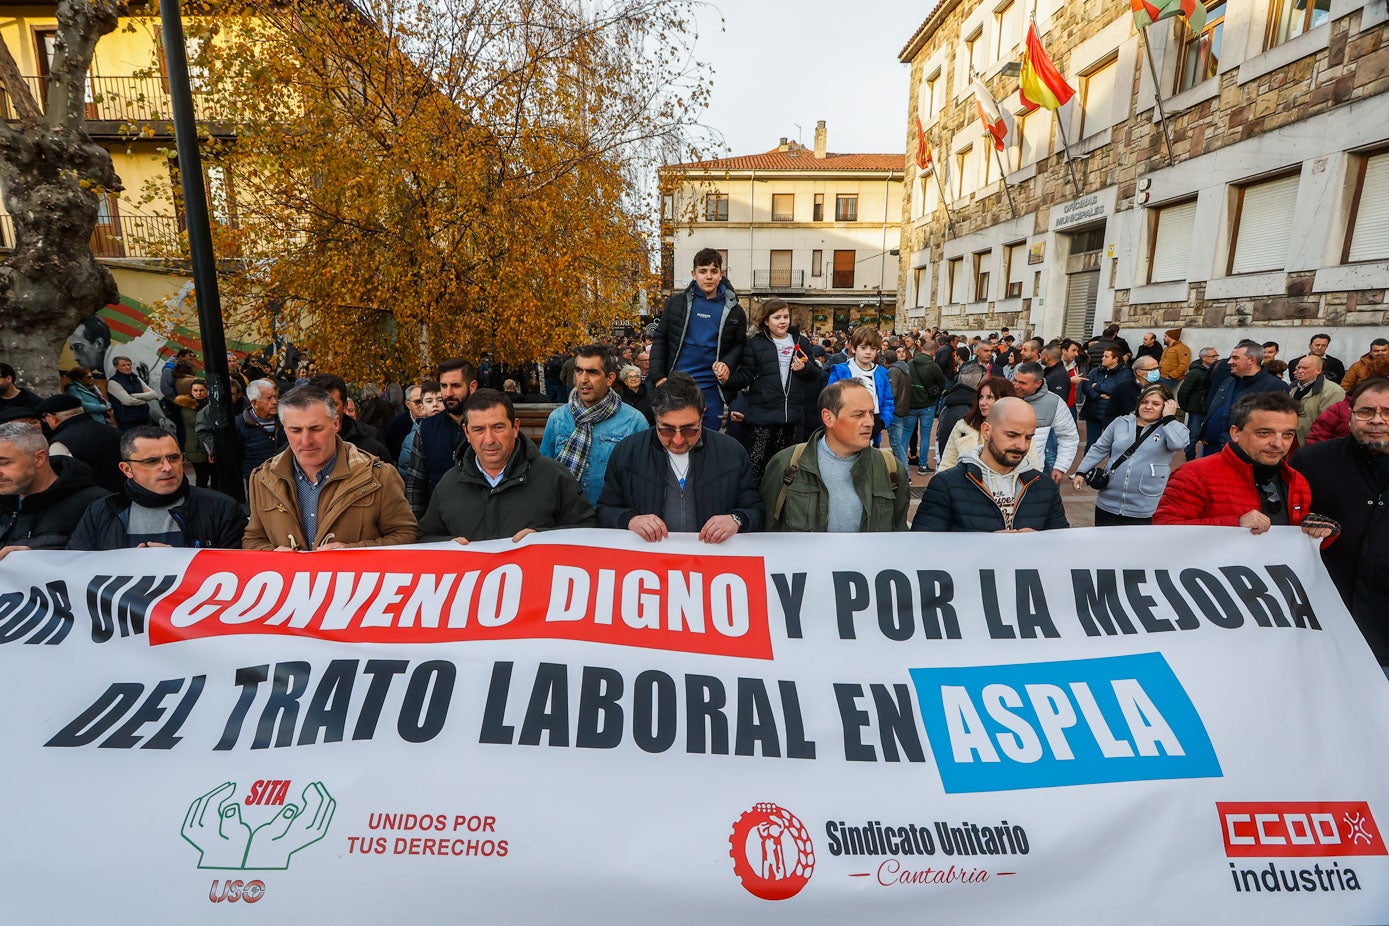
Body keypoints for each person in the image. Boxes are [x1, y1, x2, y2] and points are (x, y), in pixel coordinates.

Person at [1291, 377, 1389, 672]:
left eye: (1387, 412)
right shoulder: (1311, 461)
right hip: (1323, 612)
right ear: (1349, 414)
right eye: (1366, 412)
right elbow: (1285, 518)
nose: (1377, 420)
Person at [243, 386, 416, 551]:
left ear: (336, 424)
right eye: (295, 430)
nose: (306, 440)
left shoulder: (378, 476)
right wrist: (272, 555)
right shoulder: (263, 478)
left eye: (316, 429)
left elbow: (406, 536)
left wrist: (351, 551)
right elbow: (253, 539)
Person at [598, 373, 763, 543]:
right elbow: (605, 510)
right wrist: (630, 520)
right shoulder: (627, 452)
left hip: (712, 562)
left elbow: (756, 510)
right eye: (667, 429)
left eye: (689, 429)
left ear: (702, 414)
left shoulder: (732, 452)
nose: (678, 440)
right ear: (655, 416)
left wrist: (736, 520)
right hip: (649, 563)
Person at [416, 389, 593, 543]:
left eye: (498, 427)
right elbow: (426, 538)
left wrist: (544, 538)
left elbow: (588, 529)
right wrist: (449, 545)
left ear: (515, 428)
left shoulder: (554, 476)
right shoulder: (449, 484)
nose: (489, 439)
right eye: (478, 430)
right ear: (466, 433)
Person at [1154, 392, 1330, 537]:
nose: (1278, 443)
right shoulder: (1194, 474)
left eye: (1287, 434)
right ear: (1236, 433)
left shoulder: (1296, 481)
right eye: (1264, 433)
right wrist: (1234, 524)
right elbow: (1164, 530)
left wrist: (1318, 533)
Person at [761, 379, 909, 532]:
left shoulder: (890, 468)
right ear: (828, 418)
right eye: (858, 415)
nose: (870, 422)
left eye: (871, 413)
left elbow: (899, 533)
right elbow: (768, 530)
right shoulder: (787, 463)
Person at [67, 426, 244, 550]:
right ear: (127, 469)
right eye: (152, 461)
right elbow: (78, 572)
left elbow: (236, 573)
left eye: (174, 457)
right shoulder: (101, 512)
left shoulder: (220, 507)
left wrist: (180, 565)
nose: (167, 467)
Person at [913, 397, 1069, 532]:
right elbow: (924, 548)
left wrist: (1037, 542)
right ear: (986, 431)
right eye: (1012, 435)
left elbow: (1062, 547)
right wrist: (986, 544)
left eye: (1028, 437)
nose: (1022, 446)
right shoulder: (946, 485)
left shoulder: (1045, 487)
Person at [649, 247, 748, 432]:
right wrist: (658, 378)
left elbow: (739, 344)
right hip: (676, 386)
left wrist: (728, 364)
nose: (708, 276)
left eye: (713, 271)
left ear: (721, 274)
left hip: (713, 390)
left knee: (709, 444)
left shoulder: (735, 310)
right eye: (703, 271)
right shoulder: (676, 303)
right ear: (694, 274)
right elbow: (660, 339)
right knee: (675, 439)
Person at [540, 345, 649, 507]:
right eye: (579, 371)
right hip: (565, 519)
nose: (583, 379)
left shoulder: (634, 421)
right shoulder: (558, 418)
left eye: (592, 372)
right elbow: (543, 475)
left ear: (610, 379)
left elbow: (645, 481)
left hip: (612, 521)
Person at [727, 297, 819, 484]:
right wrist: (726, 378)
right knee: (758, 468)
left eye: (786, 316)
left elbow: (815, 375)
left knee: (791, 469)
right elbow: (746, 376)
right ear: (766, 321)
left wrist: (805, 368)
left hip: (792, 418)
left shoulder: (801, 342)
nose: (783, 321)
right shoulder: (755, 344)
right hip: (764, 418)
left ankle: (785, 508)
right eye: (777, 317)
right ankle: (756, 507)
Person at [1072, 385, 1187, 525]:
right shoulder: (1121, 422)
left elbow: (1178, 444)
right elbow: (1099, 448)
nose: (1148, 407)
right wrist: (1081, 472)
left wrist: (1169, 418)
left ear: (1167, 406)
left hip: (1145, 505)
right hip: (1109, 502)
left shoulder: (1171, 428)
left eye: (1156, 404)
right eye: (1145, 402)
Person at [0, 421, 109, 557]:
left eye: (4, 463)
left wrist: (37, 564)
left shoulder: (97, 504)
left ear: (39, 458)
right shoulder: (6, 502)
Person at [405, 358, 477, 517]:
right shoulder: (426, 429)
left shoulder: (487, 426)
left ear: (472, 386)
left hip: (482, 523)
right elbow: (415, 486)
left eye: (455, 386)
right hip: (438, 525)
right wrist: (416, 528)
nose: (448, 393)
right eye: (444, 386)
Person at [1198, 340, 1288, 455]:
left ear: (1251, 360)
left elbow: (1275, 424)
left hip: (1241, 453)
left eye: (1235, 358)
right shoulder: (1230, 381)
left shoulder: (1275, 386)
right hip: (1211, 448)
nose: (1229, 362)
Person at [939, 376, 1031, 472]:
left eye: (990, 397)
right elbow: (947, 463)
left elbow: (1031, 468)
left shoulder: (1021, 430)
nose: (982, 403)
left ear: (1005, 399)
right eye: (981, 397)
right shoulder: (963, 426)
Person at [36, 394, 123, 493]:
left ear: (52, 418)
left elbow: (62, 482)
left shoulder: (61, 444)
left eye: (44, 418)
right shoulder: (112, 430)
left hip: (96, 501)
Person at [1012, 362, 1079, 482]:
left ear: (1038, 383)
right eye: (1015, 380)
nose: (1016, 386)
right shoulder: (1005, 397)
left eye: (1022, 383)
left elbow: (1069, 436)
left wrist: (1060, 467)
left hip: (1033, 473)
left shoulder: (1054, 403)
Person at [827, 325, 894, 445]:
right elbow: (830, 400)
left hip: (873, 422)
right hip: (848, 422)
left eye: (872, 348)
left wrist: (883, 421)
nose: (868, 352)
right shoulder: (841, 371)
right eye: (863, 348)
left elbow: (888, 401)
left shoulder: (881, 373)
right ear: (853, 348)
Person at [307, 373, 391, 459]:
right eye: (318, 405)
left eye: (333, 404)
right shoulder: (301, 441)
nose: (325, 411)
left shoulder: (371, 439)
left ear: (345, 406)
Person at [902, 340, 946, 474]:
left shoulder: (909, 364)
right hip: (927, 404)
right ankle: (922, 466)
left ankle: (901, 465)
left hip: (911, 404)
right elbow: (942, 384)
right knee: (925, 435)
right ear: (933, 351)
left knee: (906, 434)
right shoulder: (933, 367)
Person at [1080, 346, 1133, 452]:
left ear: (1115, 359)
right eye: (1103, 356)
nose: (1102, 358)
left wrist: (1097, 386)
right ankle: (1086, 468)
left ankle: (1112, 468)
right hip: (1093, 412)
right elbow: (1086, 386)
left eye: (1106, 356)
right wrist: (1098, 396)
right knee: (1091, 444)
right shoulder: (1096, 371)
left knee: (1114, 444)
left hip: (1112, 415)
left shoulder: (1125, 373)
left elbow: (1117, 388)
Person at [163, 379, 213, 488]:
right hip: (196, 446)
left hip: (208, 444)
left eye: (202, 390)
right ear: (191, 391)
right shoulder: (187, 406)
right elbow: (198, 422)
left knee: (214, 474)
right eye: (195, 390)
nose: (199, 393)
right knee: (202, 476)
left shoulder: (210, 403)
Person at [235, 378, 287, 480]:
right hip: (258, 480)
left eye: (276, 397)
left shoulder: (286, 418)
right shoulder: (240, 424)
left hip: (285, 476)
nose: (275, 402)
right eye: (269, 398)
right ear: (254, 403)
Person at [1290, 354, 1345, 445]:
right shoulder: (1293, 388)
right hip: (1292, 439)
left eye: (1305, 368)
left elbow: (1328, 424)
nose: (1300, 371)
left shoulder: (1334, 391)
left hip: (1314, 443)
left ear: (1318, 370)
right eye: (1298, 367)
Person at [1177, 347, 1220, 461]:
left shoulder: (1216, 370)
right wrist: (1185, 407)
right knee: (1193, 433)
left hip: (1209, 408)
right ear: (1204, 358)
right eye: (1213, 356)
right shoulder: (1195, 372)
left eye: (1216, 356)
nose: (1216, 358)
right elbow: (1184, 391)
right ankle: (1189, 455)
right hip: (1197, 408)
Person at [394, 381, 442, 471]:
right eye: (429, 401)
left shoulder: (456, 428)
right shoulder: (412, 437)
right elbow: (408, 473)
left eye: (440, 400)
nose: (435, 404)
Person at [106, 355, 161, 431]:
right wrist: (146, 399)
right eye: (123, 365)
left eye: (129, 364)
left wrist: (135, 396)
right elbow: (128, 401)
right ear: (116, 367)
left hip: (144, 418)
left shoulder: (136, 378)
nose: (127, 367)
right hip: (128, 423)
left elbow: (154, 394)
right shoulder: (113, 382)